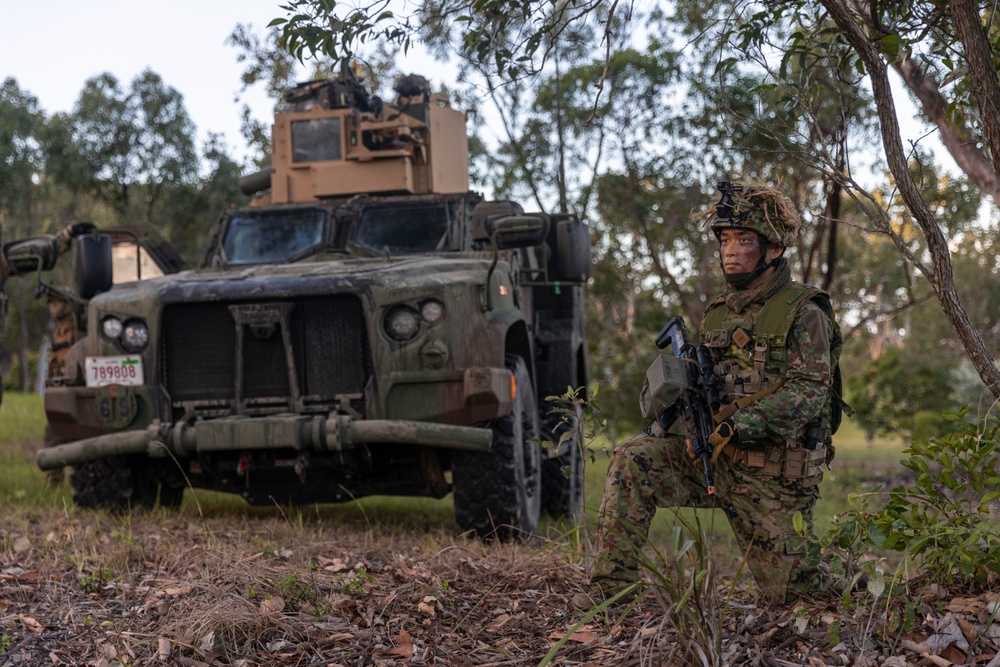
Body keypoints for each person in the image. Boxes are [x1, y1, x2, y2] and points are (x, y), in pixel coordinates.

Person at [578, 182, 840, 607]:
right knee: (633, 459)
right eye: (725, 240)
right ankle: (609, 594)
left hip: (772, 478)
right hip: (714, 460)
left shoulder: (804, 311)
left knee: (800, 599)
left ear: (773, 249)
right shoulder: (718, 309)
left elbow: (809, 393)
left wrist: (737, 425)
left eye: (744, 240)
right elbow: (708, 380)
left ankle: (852, 580)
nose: (731, 250)